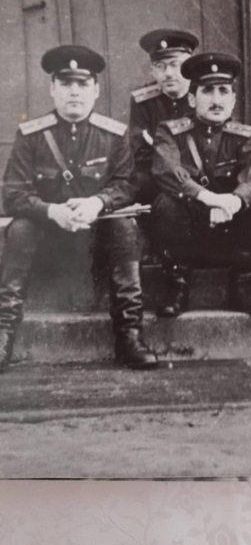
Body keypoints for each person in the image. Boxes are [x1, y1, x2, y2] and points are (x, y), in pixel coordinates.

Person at [0, 45, 158, 371]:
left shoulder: (114, 136)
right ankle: (3, 335)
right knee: (20, 227)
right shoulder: (31, 135)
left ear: (96, 90)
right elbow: (13, 194)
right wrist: (52, 211)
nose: (74, 91)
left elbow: (126, 185)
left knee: (124, 226)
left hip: (94, 246)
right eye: (66, 83)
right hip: (46, 244)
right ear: (52, 88)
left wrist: (97, 202)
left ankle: (129, 336)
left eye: (83, 83)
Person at [151, 52, 251, 316]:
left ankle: (242, 287)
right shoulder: (170, 131)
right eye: (207, 91)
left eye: (223, 91)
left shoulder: (243, 136)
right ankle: (178, 288)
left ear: (233, 100)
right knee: (165, 202)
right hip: (188, 236)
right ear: (192, 98)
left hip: (229, 237)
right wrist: (209, 198)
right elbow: (166, 169)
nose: (216, 100)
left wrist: (235, 200)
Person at [129, 28, 199, 203]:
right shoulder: (143, 101)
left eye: (175, 65)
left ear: (189, 67)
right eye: (160, 66)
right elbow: (140, 154)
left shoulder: (203, 95)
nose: (168, 73)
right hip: (159, 180)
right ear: (152, 71)